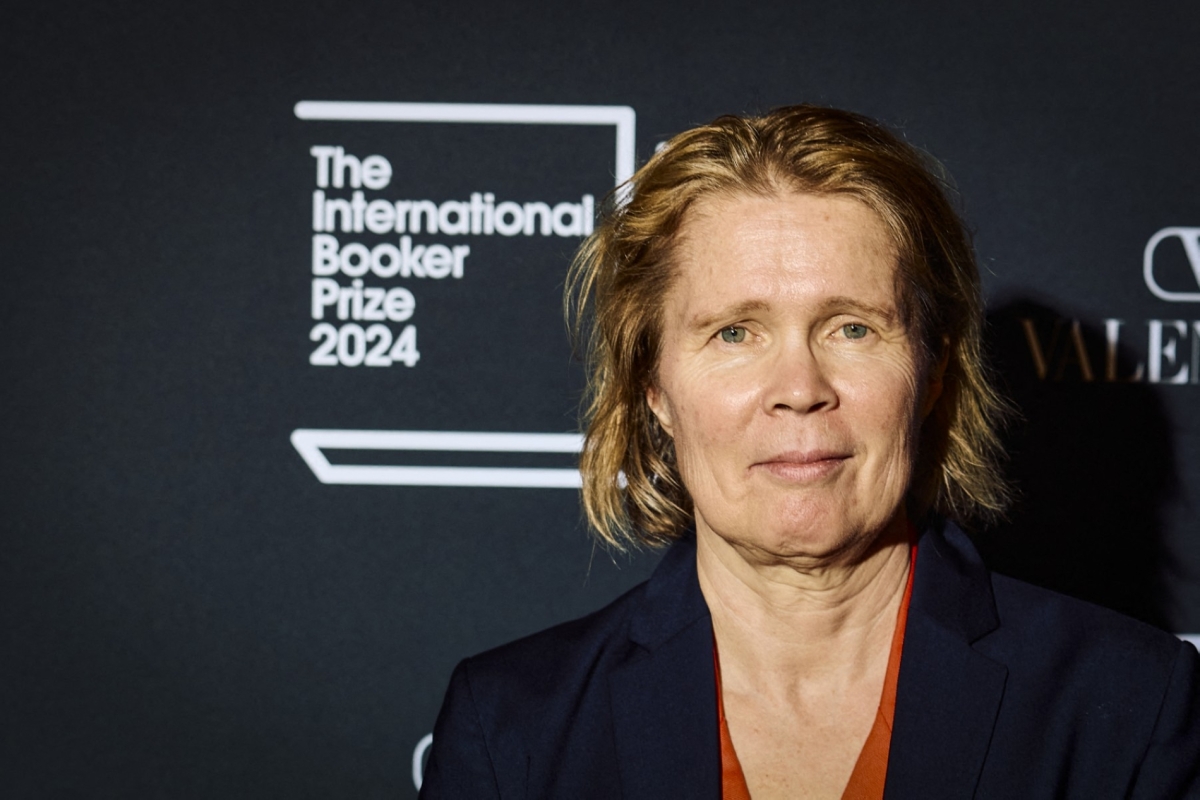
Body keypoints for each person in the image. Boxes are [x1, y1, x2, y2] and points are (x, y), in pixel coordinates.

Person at [419, 106, 1200, 799]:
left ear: (932, 373)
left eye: (852, 327)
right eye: (734, 332)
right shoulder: (511, 725)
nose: (799, 387)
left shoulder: (1130, 706)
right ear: (652, 385)